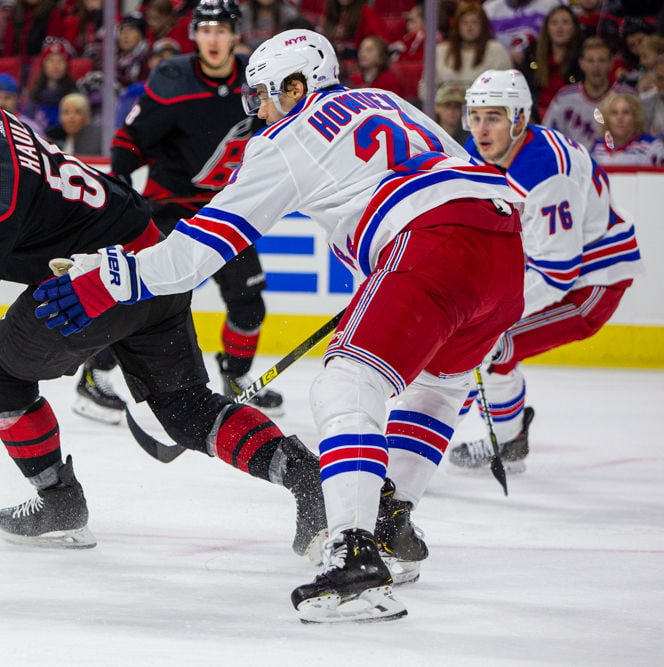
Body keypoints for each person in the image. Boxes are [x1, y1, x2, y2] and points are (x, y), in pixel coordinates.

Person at [34, 29, 527, 623]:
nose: (257, 110)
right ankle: (389, 524)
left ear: (297, 85)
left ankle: (354, 554)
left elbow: (197, 254)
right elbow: (446, 178)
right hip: (500, 250)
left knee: (345, 388)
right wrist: (389, 277)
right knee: (435, 390)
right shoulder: (384, 99)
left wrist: (105, 279)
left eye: (263, 95)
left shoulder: (290, 137)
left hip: (430, 246)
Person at [0, 69, 329, 566]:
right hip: (152, 264)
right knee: (185, 408)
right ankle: (305, 475)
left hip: (92, 285)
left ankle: (58, 500)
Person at [448, 69, 644, 472]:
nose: (481, 129)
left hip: (592, 282)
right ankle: (507, 443)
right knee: (487, 348)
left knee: (488, 346)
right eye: (476, 116)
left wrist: (485, 316)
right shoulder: (484, 148)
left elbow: (557, 274)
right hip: (551, 265)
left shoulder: (545, 175)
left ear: (520, 118)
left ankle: (440, 445)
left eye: (494, 117)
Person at [105, 0, 284, 424]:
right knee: (149, 298)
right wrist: (121, 196)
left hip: (225, 212)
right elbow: (129, 141)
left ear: (236, 35)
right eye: (205, 31)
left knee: (249, 303)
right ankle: (95, 375)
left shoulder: (256, 80)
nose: (214, 39)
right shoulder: (173, 79)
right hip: (170, 210)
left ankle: (236, 380)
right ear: (195, 36)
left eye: (221, 30)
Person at [543, 36, 636, 151]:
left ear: (611, 63)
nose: (596, 66)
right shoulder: (564, 97)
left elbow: (640, 134)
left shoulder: (627, 96)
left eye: (601, 60)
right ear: (581, 63)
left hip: (617, 163)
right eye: (590, 61)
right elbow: (547, 136)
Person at [422, 1, 512, 101]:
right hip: (446, 109)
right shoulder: (440, 51)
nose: (469, 27)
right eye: (465, 22)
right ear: (457, 25)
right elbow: (426, 87)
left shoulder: (497, 50)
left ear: (483, 25)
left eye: (475, 22)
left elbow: (508, 87)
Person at [519, 4, 582, 119]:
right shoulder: (532, 55)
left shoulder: (581, 58)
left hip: (570, 117)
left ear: (574, 27)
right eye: (554, 23)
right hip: (536, 118)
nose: (560, 27)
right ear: (547, 28)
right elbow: (524, 91)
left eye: (565, 22)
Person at [590, 92, 664, 167]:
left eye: (625, 112)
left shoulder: (652, 147)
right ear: (606, 119)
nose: (619, 118)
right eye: (614, 113)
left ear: (635, 117)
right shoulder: (597, 148)